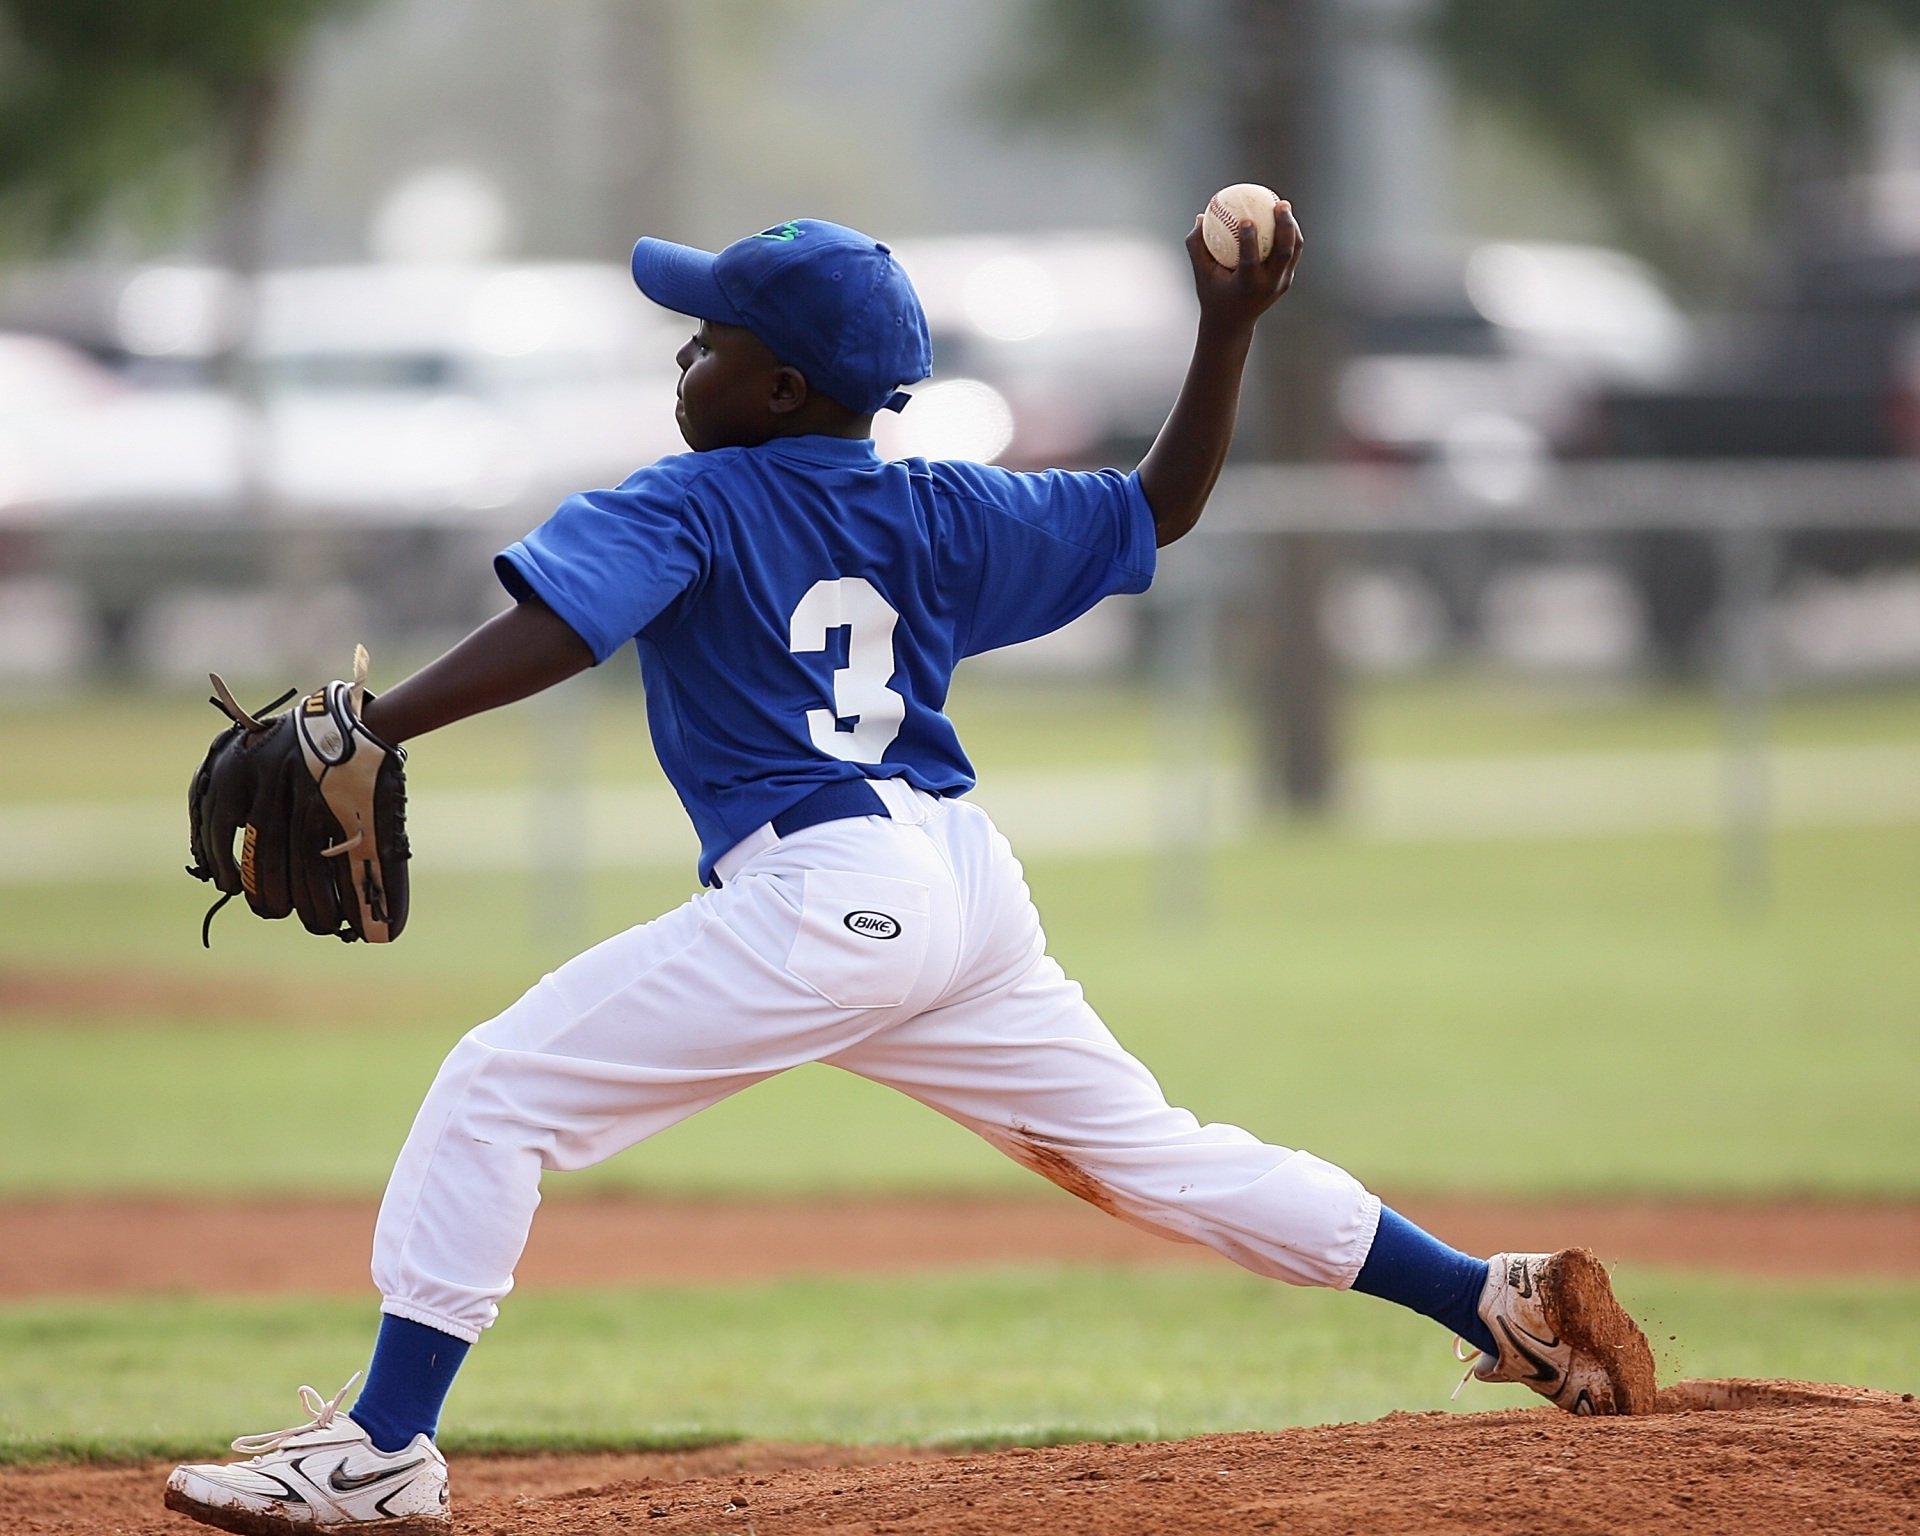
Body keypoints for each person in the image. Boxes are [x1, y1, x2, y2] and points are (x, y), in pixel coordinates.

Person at [165, 205, 1653, 1535]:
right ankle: (1492, 1298)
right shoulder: (941, 504)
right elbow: (1162, 505)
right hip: (961, 888)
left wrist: (372, 719)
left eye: (710, 342)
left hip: (827, 898)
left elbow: (567, 627)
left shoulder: (693, 500)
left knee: (498, 1090)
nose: (684, 360)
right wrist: (1225, 327)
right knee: (1151, 1152)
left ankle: (382, 1450)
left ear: (783, 390)